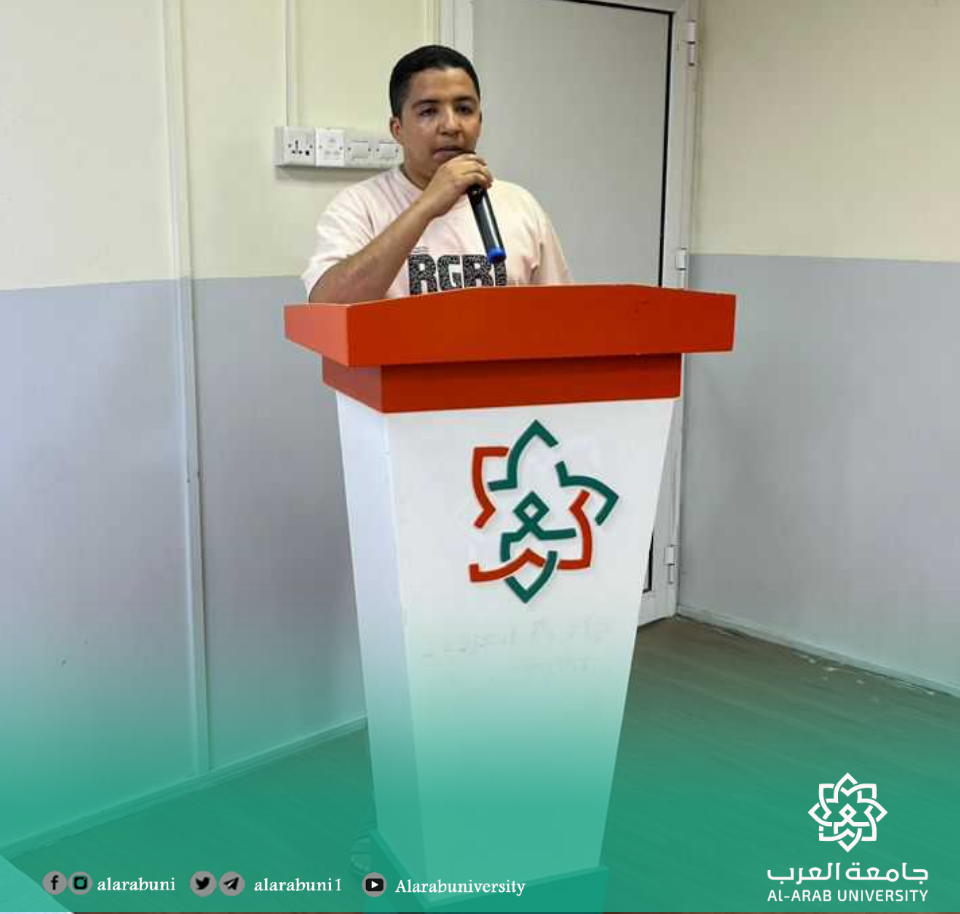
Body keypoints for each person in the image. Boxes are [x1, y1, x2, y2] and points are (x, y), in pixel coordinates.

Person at [302, 44, 572, 303]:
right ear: (398, 129)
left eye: (464, 109)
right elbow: (328, 304)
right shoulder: (358, 206)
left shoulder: (521, 206)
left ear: (480, 121)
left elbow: (562, 314)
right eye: (429, 111)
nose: (451, 126)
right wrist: (426, 206)